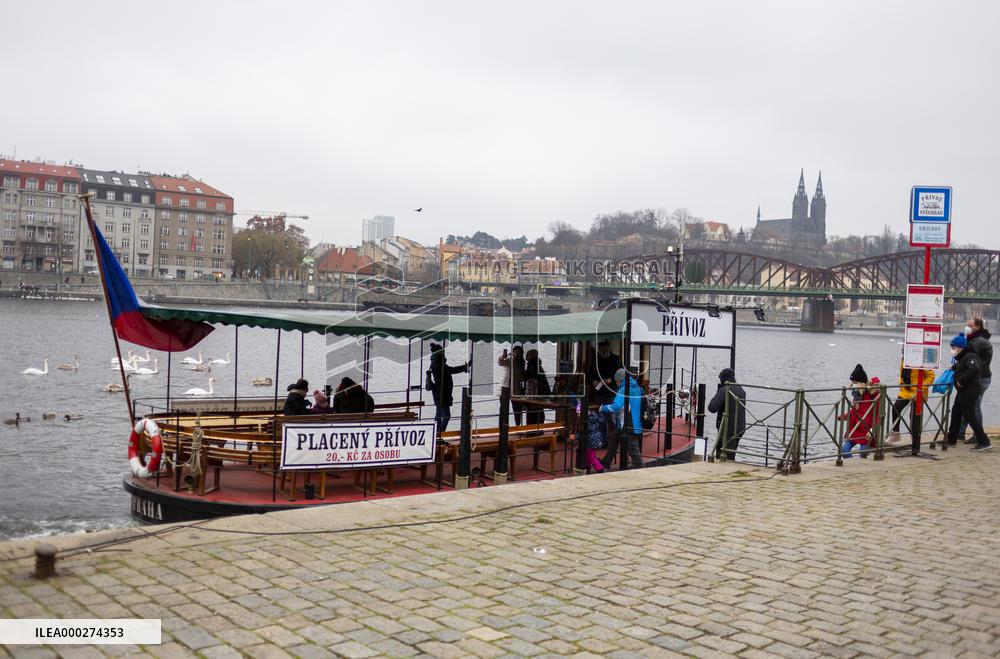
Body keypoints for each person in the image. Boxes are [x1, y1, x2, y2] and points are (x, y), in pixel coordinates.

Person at [947, 334, 992, 452]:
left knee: (970, 415)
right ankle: (951, 438)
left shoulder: (970, 356)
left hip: (969, 390)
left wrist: (961, 381)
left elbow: (974, 368)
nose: (952, 350)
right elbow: (962, 365)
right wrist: (953, 367)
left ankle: (984, 441)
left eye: (953, 347)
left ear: (960, 347)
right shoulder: (964, 356)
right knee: (956, 412)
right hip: (963, 390)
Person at [599, 368, 645, 470]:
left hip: (628, 423)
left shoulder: (623, 389)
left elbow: (616, 406)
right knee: (615, 437)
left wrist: (603, 408)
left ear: (619, 380)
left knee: (633, 449)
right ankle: (605, 462)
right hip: (636, 421)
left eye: (616, 381)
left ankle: (640, 468)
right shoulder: (637, 388)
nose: (616, 383)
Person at [958, 318, 992, 443]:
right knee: (969, 406)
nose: (967, 328)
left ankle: (979, 436)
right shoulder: (976, 339)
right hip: (979, 377)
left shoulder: (979, 342)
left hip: (980, 379)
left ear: (977, 327)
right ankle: (961, 433)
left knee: (974, 407)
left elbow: (966, 357)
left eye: (969, 326)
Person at [889, 351, 935, 441]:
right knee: (896, 408)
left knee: (914, 416)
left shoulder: (922, 359)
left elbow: (931, 376)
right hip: (905, 390)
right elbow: (901, 372)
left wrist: (921, 388)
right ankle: (895, 433)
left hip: (918, 392)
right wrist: (901, 382)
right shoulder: (904, 358)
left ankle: (914, 437)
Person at [428, 343, 469, 435]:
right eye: (442, 352)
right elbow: (452, 370)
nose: (444, 353)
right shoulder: (439, 364)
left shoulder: (435, 363)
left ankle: (435, 433)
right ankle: (440, 433)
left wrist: (464, 367)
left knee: (438, 414)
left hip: (438, 393)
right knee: (446, 416)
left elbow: (450, 370)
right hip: (442, 394)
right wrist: (464, 367)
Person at [838, 365, 878, 459]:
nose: (853, 386)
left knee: (862, 454)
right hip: (855, 429)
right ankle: (854, 466)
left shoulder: (874, 395)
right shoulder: (857, 396)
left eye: (855, 383)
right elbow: (854, 411)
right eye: (852, 383)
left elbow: (878, 414)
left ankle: (862, 470)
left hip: (867, 431)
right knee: (844, 451)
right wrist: (842, 417)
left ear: (862, 383)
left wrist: (873, 429)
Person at [707, 367, 746, 461]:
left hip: (727, 429)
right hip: (740, 428)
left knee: (723, 455)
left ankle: (722, 471)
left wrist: (719, 392)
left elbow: (711, 408)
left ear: (723, 379)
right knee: (731, 453)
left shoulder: (725, 390)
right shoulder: (741, 389)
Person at [586, 339, 622, 405]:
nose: (604, 352)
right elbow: (590, 374)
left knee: (611, 412)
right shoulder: (595, 360)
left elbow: (621, 374)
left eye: (605, 350)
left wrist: (611, 380)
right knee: (599, 412)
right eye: (602, 350)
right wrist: (593, 381)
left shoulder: (616, 359)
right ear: (599, 350)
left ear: (609, 349)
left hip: (611, 391)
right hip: (599, 392)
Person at [497, 344, 525, 425]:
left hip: (516, 389)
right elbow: (500, 362)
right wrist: (503, 356)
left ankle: (517, 426)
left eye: (519, 353)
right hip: (505, 387)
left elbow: (522, 377)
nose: (517, 354)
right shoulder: (509, 360)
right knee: (504, 409)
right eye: (515, 352)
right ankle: (503, 426)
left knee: (517, 409)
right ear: (512, 352)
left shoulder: (521, 363)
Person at [523, 349, 551, 429]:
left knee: (532, 412)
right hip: (541, 392)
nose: (526, 356)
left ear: (531, 356)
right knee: (539, 411)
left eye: (528, 354)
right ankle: (539, 429)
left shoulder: (532, 365)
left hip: (535, 393)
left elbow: (532, 379)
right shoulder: (537, 365)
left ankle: (532, 430)